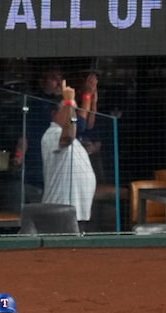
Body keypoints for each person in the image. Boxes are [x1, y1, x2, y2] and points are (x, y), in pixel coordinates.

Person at [40, 80, 97, 230]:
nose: (74, 117)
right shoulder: (52, 134)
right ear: (55, 114)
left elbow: (79, 124)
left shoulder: (74, 138)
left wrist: (89, 99)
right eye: (69, 110)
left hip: (75, 214)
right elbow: (67, 137)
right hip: (60, 213)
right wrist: (68, 102)